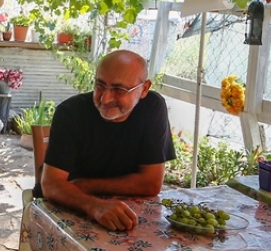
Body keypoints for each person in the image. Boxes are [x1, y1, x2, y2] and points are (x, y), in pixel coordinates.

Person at [38, 50, 176, 231]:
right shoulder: (71, 113)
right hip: (69, 211)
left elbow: (151, 184)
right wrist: (95, 206)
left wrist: (86, 185)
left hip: (127, 215)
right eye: (100, 85)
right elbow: (51, 184)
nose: (105, 98)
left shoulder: (152, 107)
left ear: (144, 89)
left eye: (119, 89)